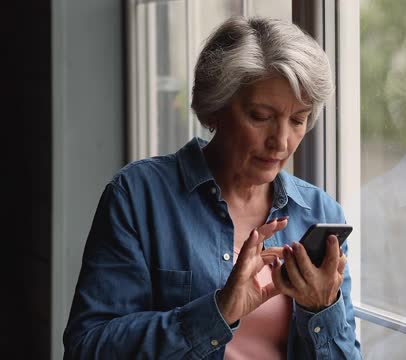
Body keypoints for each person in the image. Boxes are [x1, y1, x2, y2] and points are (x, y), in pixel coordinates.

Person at [63, 16, 361, 359]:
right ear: (215, 108)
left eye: (297, 120)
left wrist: (321, 309)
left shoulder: (320, 213)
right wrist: (218, 311)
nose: (281, 141)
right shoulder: (137, 196)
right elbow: (87, 348)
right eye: (261, 116)